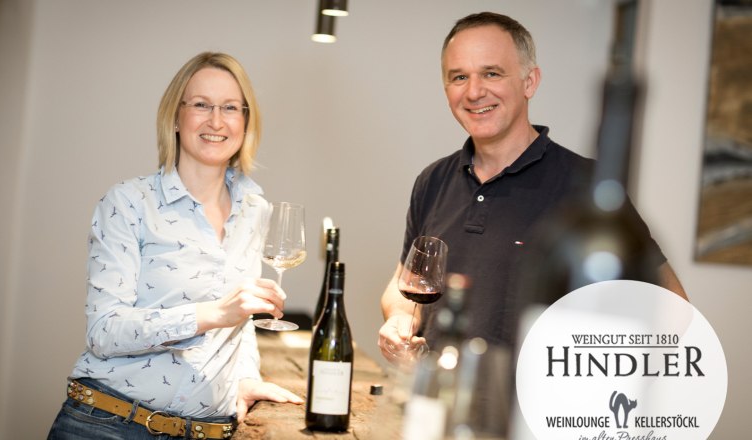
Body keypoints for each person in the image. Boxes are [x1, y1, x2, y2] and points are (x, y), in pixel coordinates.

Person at [377, 12, 688, 363]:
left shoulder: (589, 188)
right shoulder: (432, 181)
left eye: (491, 73)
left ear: (530, 82)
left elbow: (673, 309)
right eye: (459, 77)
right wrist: (401, 319)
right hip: (437, 404)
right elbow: (406, 287)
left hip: (536, 416)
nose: (474, 91)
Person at [48, 52, 303, 440]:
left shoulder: (256, 209)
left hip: (206, 432)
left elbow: (241, 322)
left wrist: (246, 377)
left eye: (231, 107)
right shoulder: (128, 203)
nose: (216, 121)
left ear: (246, 121)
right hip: (107, 425)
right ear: (176, 116)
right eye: (201, 105)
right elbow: (104, 330)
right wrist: (212, 313)